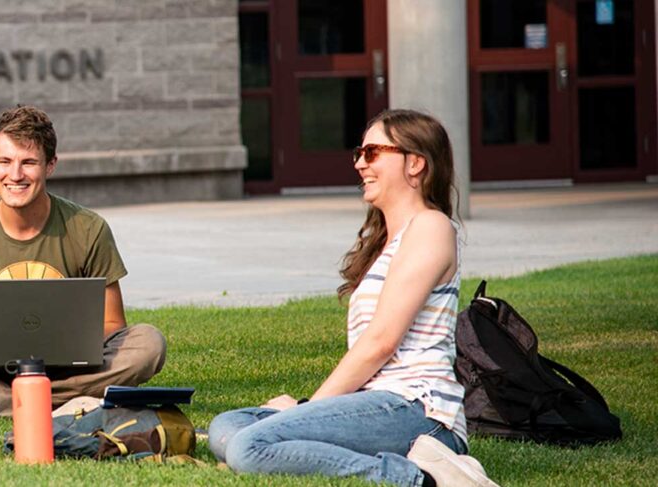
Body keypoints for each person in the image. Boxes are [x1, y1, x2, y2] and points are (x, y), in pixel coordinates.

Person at [206, 110, 498, 486]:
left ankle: (419, 478)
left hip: (417, 410)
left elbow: (380, 342)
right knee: (226, 427)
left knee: (248, 447)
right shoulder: (389, 241)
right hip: (376, 404)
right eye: (359, 153)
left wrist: (309, 408)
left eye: (373, 153)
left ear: (415, 163)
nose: (360, 163)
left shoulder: (430, 226)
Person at [0, 105, 166, 417]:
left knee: (148, 343)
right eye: (5, 162)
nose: (15, 175)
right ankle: (55, 404)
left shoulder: (89, 228)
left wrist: (62, 342)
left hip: (67, 368)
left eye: (28, 163)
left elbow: (113, 324)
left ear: (50, 165)